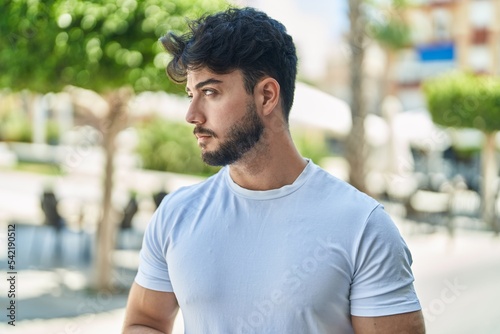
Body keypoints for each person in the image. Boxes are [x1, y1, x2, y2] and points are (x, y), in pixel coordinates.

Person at [123, 7, 425, 334]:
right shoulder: (176, 214)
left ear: (267, 95)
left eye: (210, 92)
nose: (192, 114)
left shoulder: (364, 227)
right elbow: (145, 322)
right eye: (191, 94)